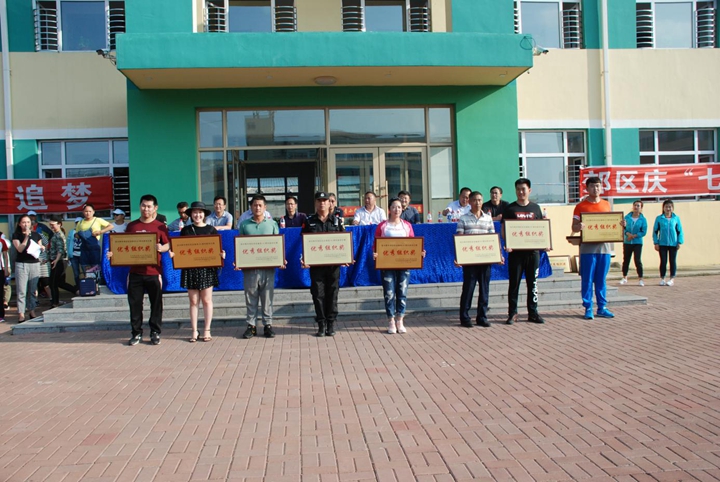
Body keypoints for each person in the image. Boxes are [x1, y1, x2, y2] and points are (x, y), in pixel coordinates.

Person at [107, 194, 170, 346]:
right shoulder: (132, 226)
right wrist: (114, 254)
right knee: (135, 305)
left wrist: (162, 248)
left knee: (156, 304)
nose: (145, 209)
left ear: (155, 208)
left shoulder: (160, 226)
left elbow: (168, 244)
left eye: (149, 206)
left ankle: (155, 332)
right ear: (140, 206)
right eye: (143, 205)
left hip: (154, 272)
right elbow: (124, 246)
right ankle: (136, 333)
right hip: (135, 272)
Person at [572, 176, 623, 320]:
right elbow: (573, 227)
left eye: (598, 186)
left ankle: (602, 307)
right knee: (587, 279)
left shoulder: (606, 204)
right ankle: (588, 307)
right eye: (593, 186)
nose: (596, 189)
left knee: (601, 279)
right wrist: (578, 226)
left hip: (604, 249)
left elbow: (612, 224)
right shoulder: (580, 206)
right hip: (587, 249)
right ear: (587, 188)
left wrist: (620, 225)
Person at [175, 202, 224, 342]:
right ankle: (194, 330)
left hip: (207, 269)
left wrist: (221, 255)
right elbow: (181, 249)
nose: (197, 215)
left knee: (207, 300)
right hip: (190, 269)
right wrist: (174, 254)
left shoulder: (211, 230)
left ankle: (207, 330)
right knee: (193, 301)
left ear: (204, 214)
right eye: (195, 212)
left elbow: (217, 249)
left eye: (200, 212)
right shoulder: (186, 230)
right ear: (191, 214)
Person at [374, 197, 423, 334]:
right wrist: (375, 254)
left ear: (402, 209)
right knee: (389, 293)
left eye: (399, 207)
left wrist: (419, 252)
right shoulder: (382, 226)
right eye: (394, 207)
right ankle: (391, 320)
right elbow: (375, 245)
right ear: (389, 209)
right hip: (387, 264)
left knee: (402, 291)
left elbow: (413, 243)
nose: (397, 210)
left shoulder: (407, 226)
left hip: (404, 264)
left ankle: (400, 319)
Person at [238, 194, 284, 339]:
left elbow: (277, 245)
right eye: (255, 205)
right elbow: (241, 246)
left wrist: (281, 259)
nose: (257, 208)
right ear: (251, 208)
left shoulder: (272, 224)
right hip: (250, 268)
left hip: (268, 268)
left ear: (265, 207)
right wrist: (239, 261)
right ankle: (251, 326)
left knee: (267, 297)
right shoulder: (244, 225)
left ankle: (267, 325)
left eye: (260, 205)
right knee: (250, 296)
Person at [456, 191, 503, 328]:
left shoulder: (488, 218)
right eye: (475, 200)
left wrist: (498, 255)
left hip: (485, 260)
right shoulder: (463, 218)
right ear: (470, 202)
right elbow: (459, 239)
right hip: (470, 261)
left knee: (484, 289)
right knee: (468, 289)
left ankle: (482, 317)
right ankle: (465, 318)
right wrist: (459, 257)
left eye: (480, 200)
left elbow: (493, 238)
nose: (477, 203)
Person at [302, 192, 346, 337]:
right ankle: (321, 323)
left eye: (325, 201)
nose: (322, 203)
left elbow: (344, 241)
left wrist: (346, 257)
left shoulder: (337, 221)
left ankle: (331, 324)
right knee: (318, 294)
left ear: (329, 203)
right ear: (315, 203)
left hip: (333, 266)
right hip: (317, 267)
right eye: (319, 201)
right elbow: (304, 242)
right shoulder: (309, 221)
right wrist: (304, 258)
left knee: (332, 294)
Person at [503, 178, 546, 325]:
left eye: (523, 189)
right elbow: (504, 229)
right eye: (518, 189)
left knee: (532, 284)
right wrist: (508, 243)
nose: (521, 192)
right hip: (516, 254)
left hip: (533, 253)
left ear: (529, 190)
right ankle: (512, 313)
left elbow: (541, 229)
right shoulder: (510, 209)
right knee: (514, 284)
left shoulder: (536, 208)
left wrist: (545, 243)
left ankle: (533, 313)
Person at [12, 215, 44, 322]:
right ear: (19, 224)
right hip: (22, 264)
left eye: (28, 222)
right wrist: (26, 237)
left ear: (31, 223)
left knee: (33, 290)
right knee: (22, 290)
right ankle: (21, 313)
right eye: (23, 222)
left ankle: (32, 311)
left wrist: (42, 247)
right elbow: (20, 249)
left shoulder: (36, 235)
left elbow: (40, 246)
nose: (26, 224)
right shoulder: (16, 235)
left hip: (34, 264)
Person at [47, 215, 77, 308]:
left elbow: (61, 250)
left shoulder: (59, 235)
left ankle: (55, 303)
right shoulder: (55, 234)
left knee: (53, 283)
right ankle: (76, 291)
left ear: (59, 224)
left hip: (59, 261)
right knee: (60, 282)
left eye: (53, 224)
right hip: (56, 260)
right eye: (50, 225)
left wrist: (56, 260)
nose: (51, 226)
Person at [75, 203, 113, 275]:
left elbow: (111, 226)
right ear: (83, 212)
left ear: (93, 212)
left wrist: (100, 232)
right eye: (86, 211)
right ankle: (88, 279)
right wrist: (77, 235)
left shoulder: (97, 220)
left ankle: (96, 280)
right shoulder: (80, 223)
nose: (88, 213)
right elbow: (77, 234)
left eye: (90, 211)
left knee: (96, 268)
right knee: (85, 268)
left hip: (94, 248)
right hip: (84, 249)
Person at [653, 199, 684, 287]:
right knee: (663, 261)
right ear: (663, 208)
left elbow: (680, 231)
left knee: (672, 261)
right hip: (662, 244)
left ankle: (672, 279)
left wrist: (679, 242)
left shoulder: (676, 218)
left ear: (672, 208)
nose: (668, 209)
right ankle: (662, 278)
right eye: (666, 207)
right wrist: (656, 242)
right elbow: (655, 231)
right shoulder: (659, 218)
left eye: (670, 207)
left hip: (673, 244)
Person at [621, 200, 647, 286]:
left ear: (641, 208)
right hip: (627, 241)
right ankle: (624, 277)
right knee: (626, 260)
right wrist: (628, 234)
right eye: (635, 205)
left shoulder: (643, 219)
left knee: (637, 260)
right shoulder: (627, 217)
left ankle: (640, 278)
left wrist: (635, 235)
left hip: (637, 242)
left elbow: (643, 231)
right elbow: (623, 228)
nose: (636, 207)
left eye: (638, 206)